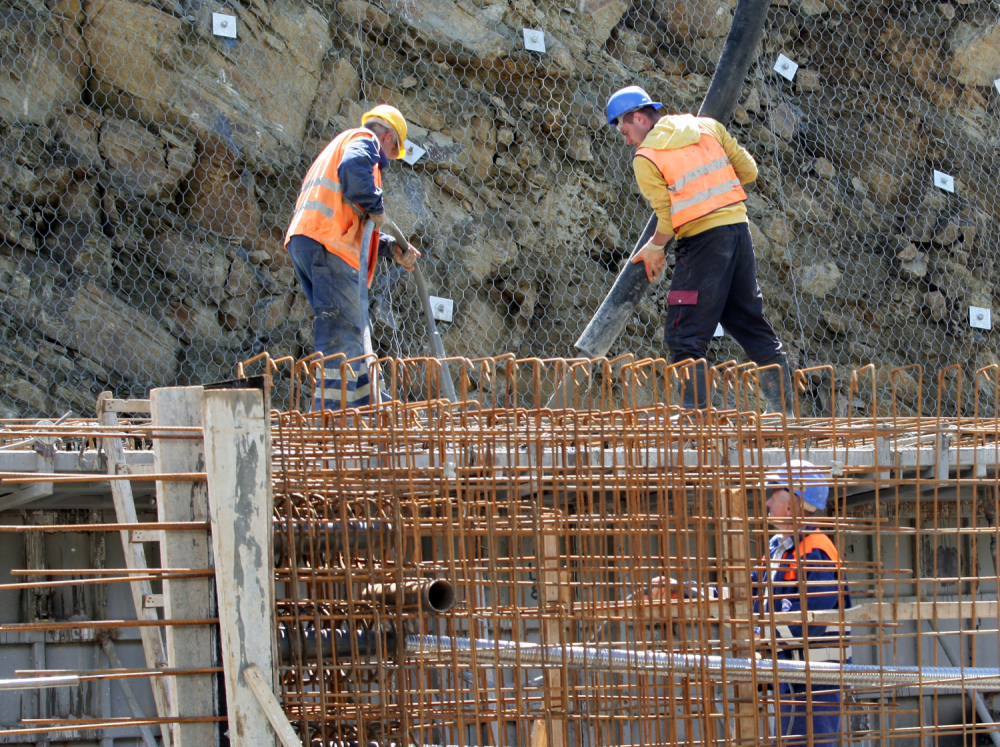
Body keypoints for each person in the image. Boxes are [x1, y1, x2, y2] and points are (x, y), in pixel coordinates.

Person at [605, 85, 791, 412]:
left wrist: (654, 248)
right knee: (748, 320)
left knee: (685, 335)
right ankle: (785, 413)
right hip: (738, 232)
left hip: (703, 242)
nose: (625, 137)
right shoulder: (708, 126)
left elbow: (668, 217)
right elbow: (749, 171)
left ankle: (696, 424)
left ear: (639, 117)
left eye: (625, 127)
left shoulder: (646, 157)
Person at [284, 105, 420, 409]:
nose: (385, 163)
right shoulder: (364, 139)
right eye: (392, 152)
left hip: (310, 240)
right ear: (387, 137)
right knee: (342, 339)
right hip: (331, 246)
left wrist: (390, 247)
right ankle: (335, 424)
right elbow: (354, 174)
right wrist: (377, 206)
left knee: (349, 333)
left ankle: (361, 412)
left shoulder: (334, 148)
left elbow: (354, 215)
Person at [755, 460, 851, 747]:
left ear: (794, 503)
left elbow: (811, 618)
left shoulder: (817, 551)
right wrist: (686, 593)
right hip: (787, 675)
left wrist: (764, 638)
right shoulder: (778, 548)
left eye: (775, 492)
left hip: (815, 682)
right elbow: (746, 596)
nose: (768, 500)